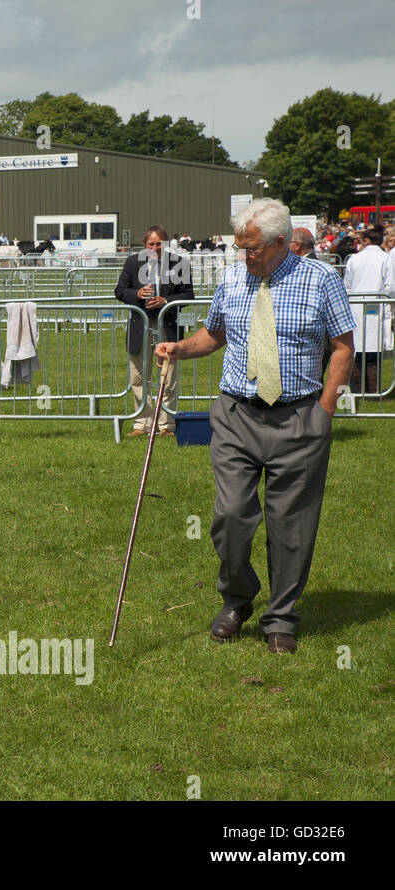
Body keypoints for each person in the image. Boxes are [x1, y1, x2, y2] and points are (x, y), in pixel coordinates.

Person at [155, 198, 354, 654]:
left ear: (281, 243)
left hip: (300, 417)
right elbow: (215, 334)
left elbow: (343, 346)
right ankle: (237, 598)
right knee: (231, 515)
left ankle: (281, 616)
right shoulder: (231, 279)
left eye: (253, 249)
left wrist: (326, 408)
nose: (245, 257)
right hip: (236, 416)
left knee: (291, 525)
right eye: (240, 248)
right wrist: (178, 349)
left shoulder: (321, 280)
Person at [114, 226, 193, 437]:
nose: (155, 248)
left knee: (168, 378)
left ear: (166, 245)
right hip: (141, 327)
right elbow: (120, 291)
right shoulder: (132, 263)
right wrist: (137, 294)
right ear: (144, 244)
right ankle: (143, 424)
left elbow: (188, 294)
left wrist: (165, 301)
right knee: (138, 377)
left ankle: (166, 425)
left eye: (159, 244)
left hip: (166, 327)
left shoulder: (179, 264)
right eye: (151, 244)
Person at [341, 227, 394, 395]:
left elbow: (347, 286)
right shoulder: (385, 258)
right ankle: (374, 392)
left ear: (366, 241)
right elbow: (391, 286)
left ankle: (359, 390)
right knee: (373, 352)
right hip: (377, 307)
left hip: (355, 307)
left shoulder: (354, 259)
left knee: (358, 350)